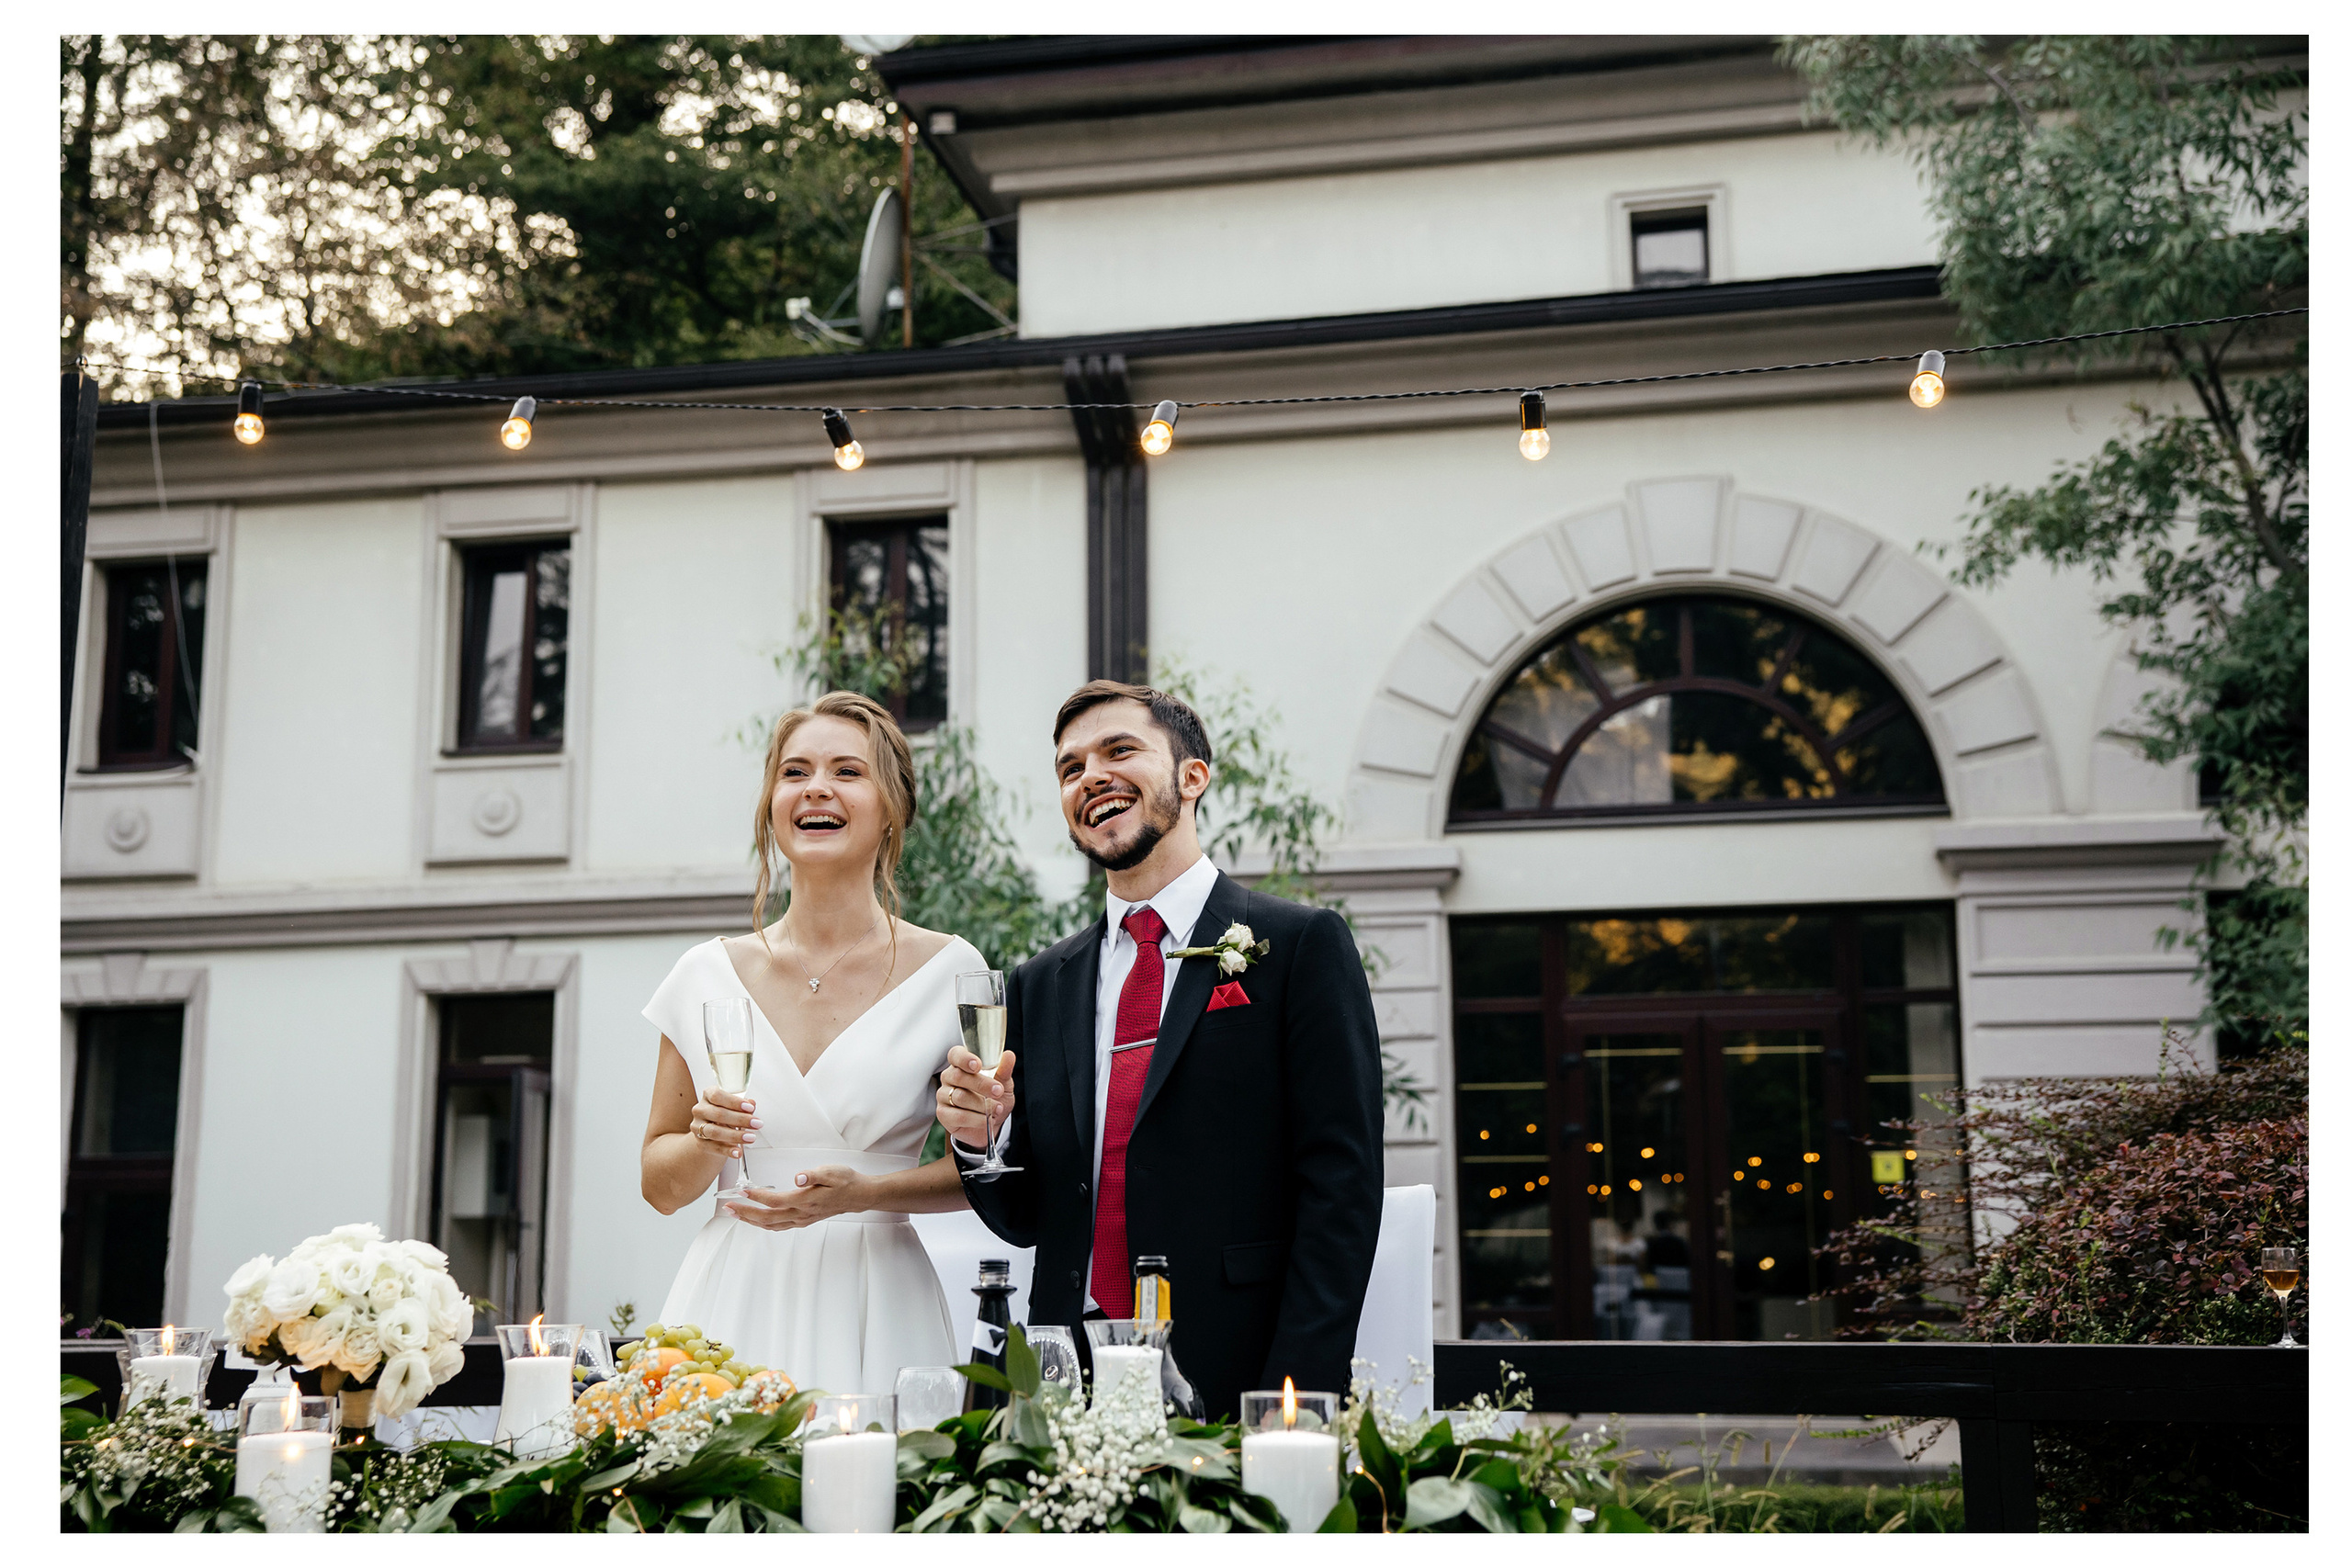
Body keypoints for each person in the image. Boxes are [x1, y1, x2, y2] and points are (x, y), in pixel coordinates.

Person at [935, 680, 1384, 1420]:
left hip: (1237, 1365)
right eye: (1069, 767)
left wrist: (1293, 1394)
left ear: (1192, 776)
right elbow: (1026, 1216)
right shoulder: (1039, 983)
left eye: (1119, 751)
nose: (1091, 777)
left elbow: (1341, 1188)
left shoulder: (1301, 946)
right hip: (1062, 1376)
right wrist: (985, 1138)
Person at [639, 691, 981, 1393]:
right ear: (772, 804)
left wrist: (866, 1193)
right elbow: (658, 1185)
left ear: (891, 808)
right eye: (795, 772)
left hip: (878, 1293)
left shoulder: (954, 972)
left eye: (846, 771)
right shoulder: (703, 974)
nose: (816, 787)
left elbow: (983, 1175)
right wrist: (707, 1143)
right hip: (732, 1292)